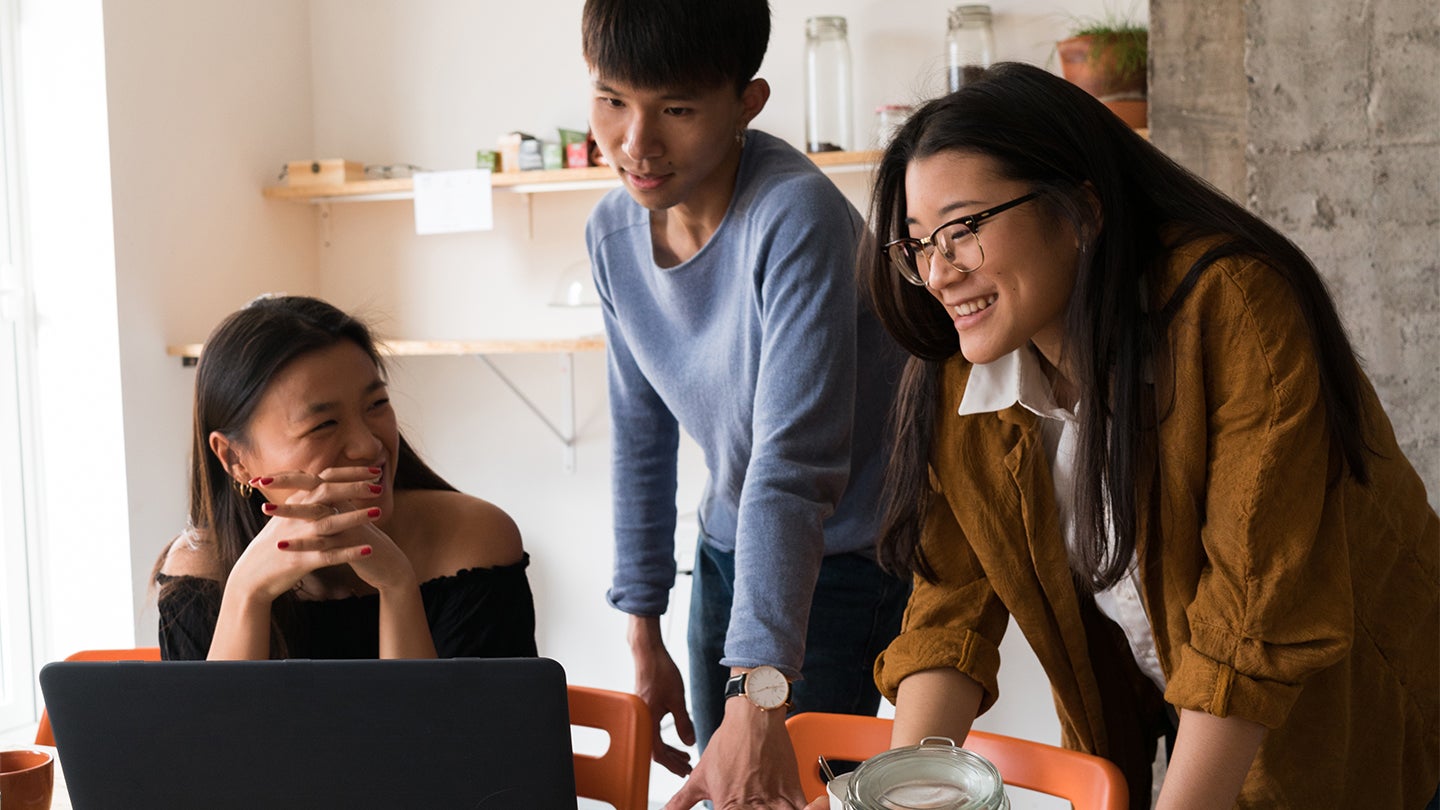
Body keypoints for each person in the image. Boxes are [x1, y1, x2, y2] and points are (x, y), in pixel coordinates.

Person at [826, 62, 1439, 809]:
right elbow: (948, 607)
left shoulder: (1233, 309)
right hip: (1206, 723)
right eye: (918, 245)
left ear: (1080, 210)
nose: (940, 270)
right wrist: (901, 794)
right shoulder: (966, 376)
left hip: (1372, 725)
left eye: (963, 229)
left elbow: (1251, 620)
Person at [581, 0, 910, 805]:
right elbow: (640, 434)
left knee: (782, 789)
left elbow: (793, 467)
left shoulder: (793, 217)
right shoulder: (612, 234)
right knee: (725, 788)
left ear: (747, 104)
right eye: (613, 99)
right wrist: (643, 626)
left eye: (678, 109)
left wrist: (759, 695)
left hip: (846, 556)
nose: (636, 142)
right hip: (730, 548)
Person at [156, 295, 537, 661]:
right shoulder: (199, 571)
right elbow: (213, 730)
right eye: (323, 424)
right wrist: (246, 593)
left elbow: (444, 729)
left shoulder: (472, 542)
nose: (368, 446)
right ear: (234, 457)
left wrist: (397, 586)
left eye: (376, 405)